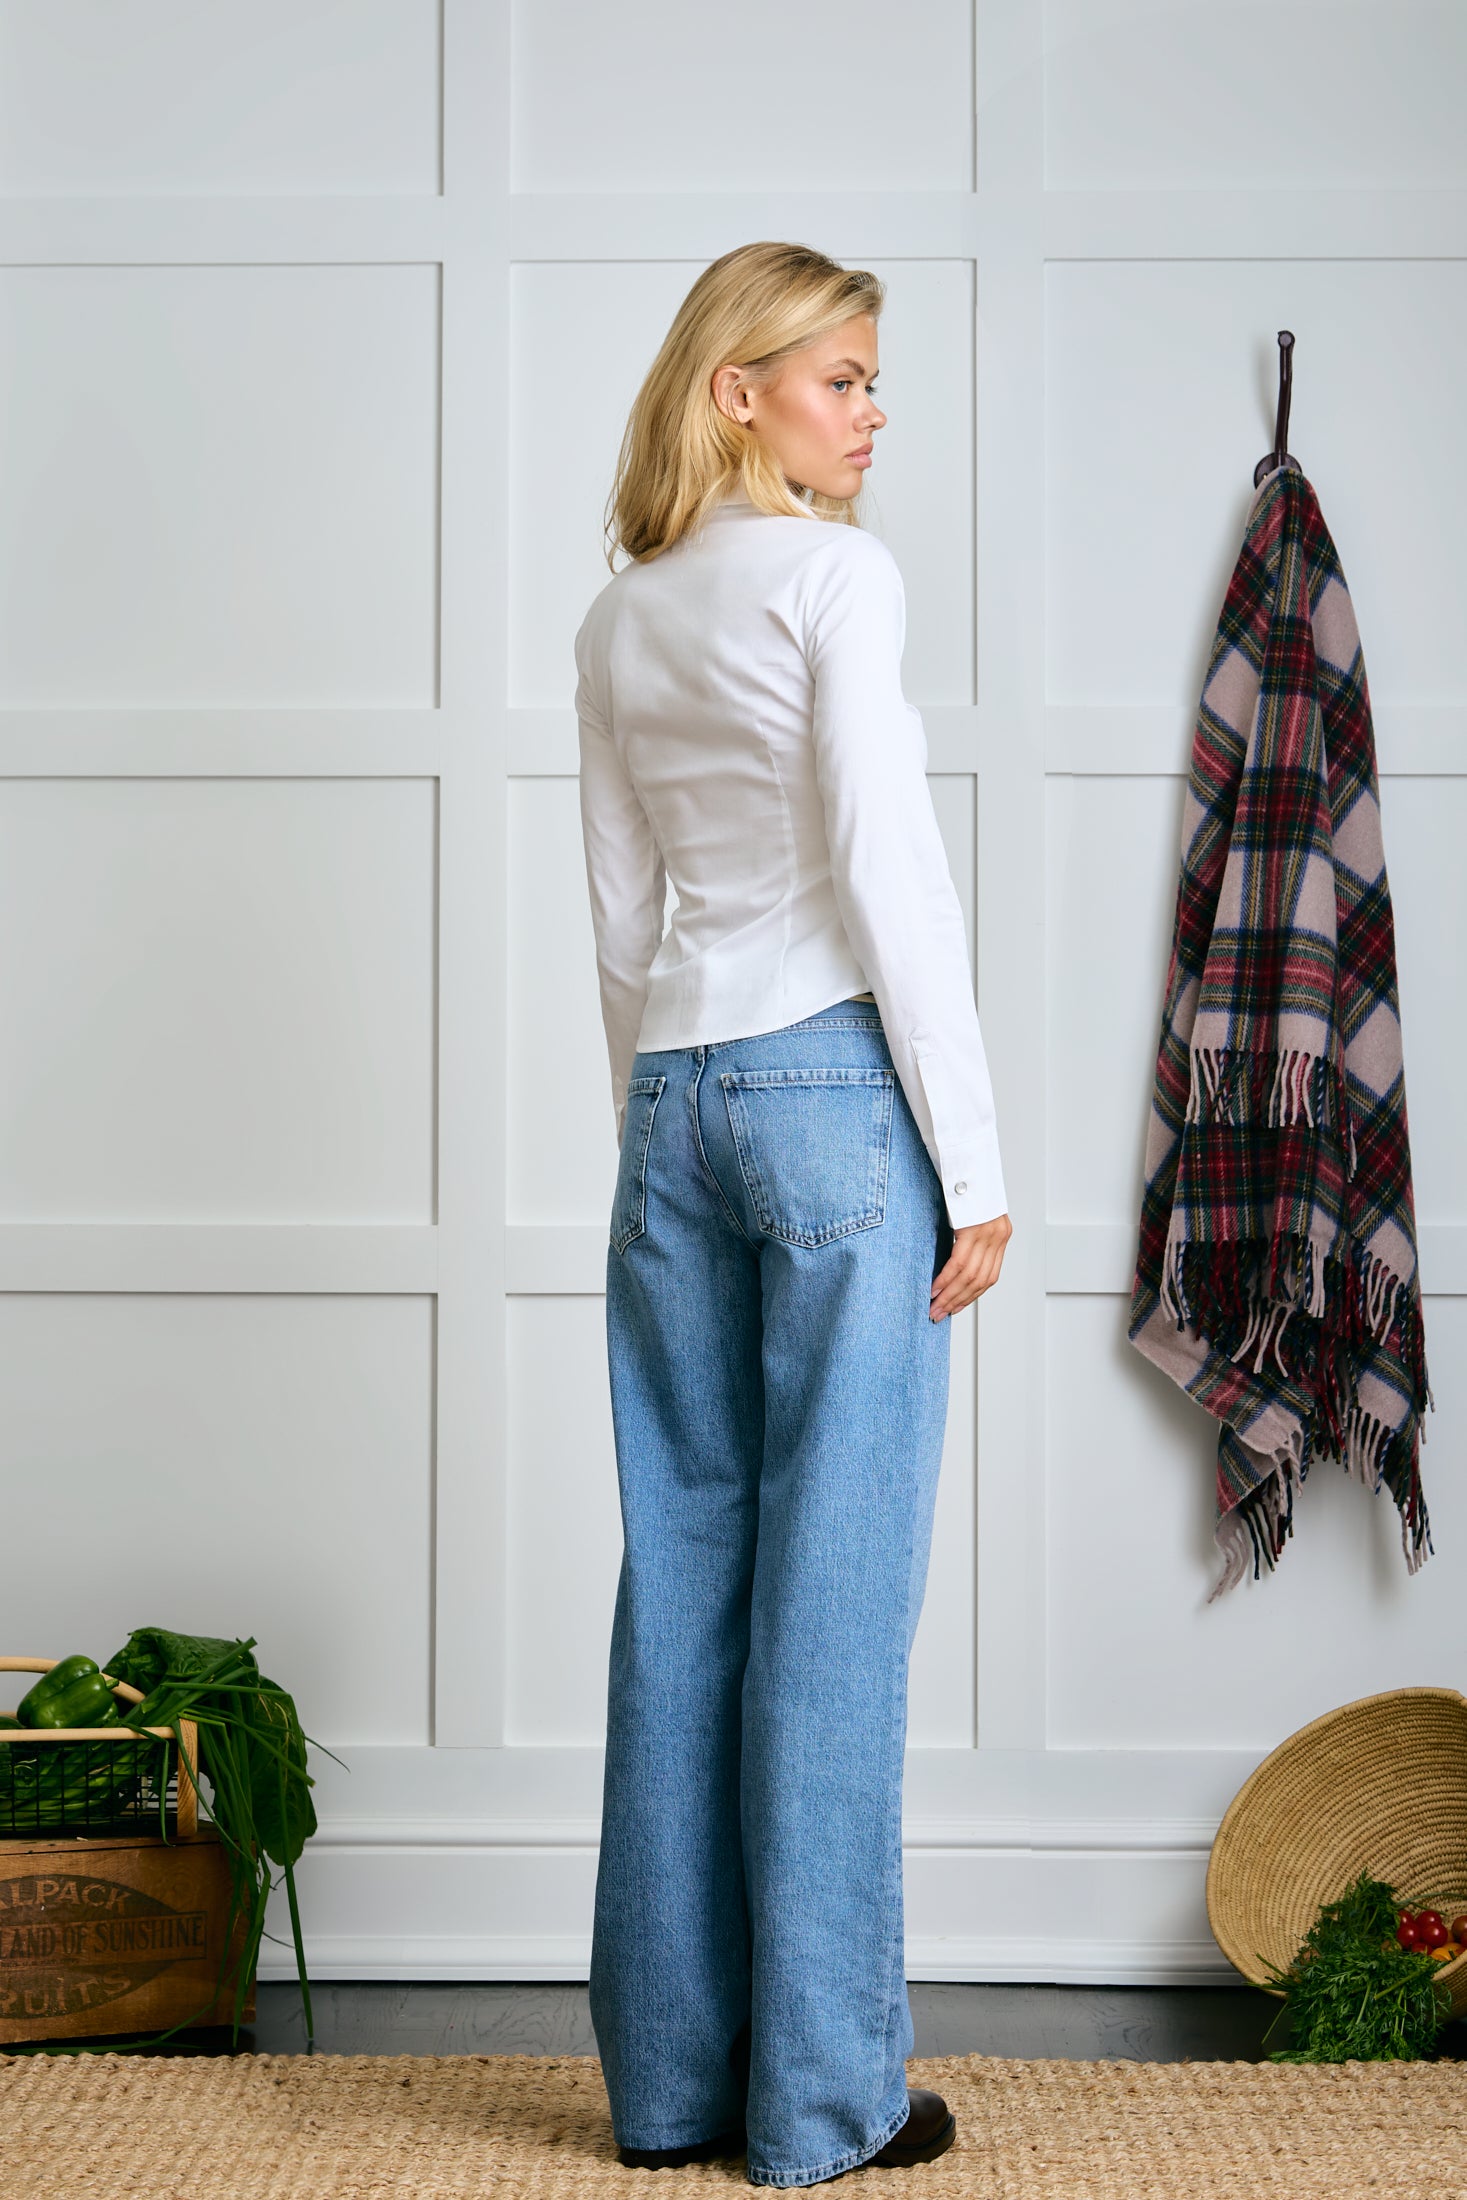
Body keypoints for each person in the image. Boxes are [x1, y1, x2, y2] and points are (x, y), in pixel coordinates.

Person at [574, 239, 1012, 2190]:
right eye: (837, 375)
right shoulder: (838, 578)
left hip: (671, 1097)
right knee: (831, 1610)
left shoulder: (618, 618)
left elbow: (613, 919)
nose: (870, 407)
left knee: (682, 1589)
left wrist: (651, 1132)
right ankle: (823, 2103)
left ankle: (667, 2086)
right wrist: (973, 1166)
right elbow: (886, 870)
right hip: (834, 1090)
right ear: (735, 390)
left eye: (868, 376)